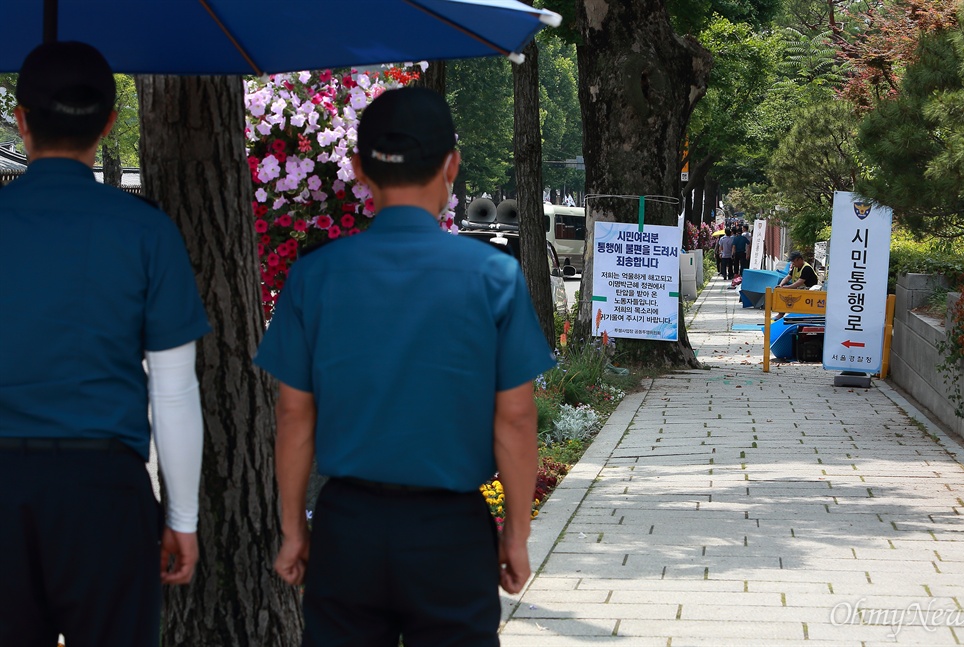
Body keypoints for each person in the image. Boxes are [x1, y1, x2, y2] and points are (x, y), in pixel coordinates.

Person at [254, 86, 555, 646]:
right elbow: (515, 418)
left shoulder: (315, 276)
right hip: (451, 534)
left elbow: (294, 414)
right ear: (452, 166)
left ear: (359, 167)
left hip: (348, 527)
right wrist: (515, 534)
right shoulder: (493, 276)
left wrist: (294, 529)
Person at [0, 42, 210, 646]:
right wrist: (182, 519)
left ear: (21, 117)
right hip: (103, 492)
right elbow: (174, 390)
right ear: (110, 123)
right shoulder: (146, 231)